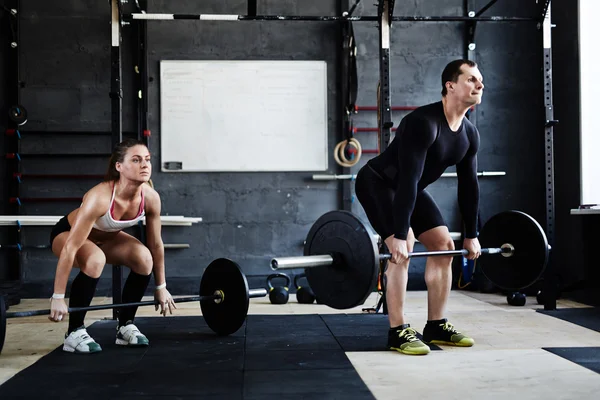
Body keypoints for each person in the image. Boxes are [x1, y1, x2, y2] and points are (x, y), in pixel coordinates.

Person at [355, 59, 484, 355]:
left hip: (408, 189)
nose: (480, 85)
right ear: (450, 85)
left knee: (442, 243)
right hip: (377, 184)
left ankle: (436, 325)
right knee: (405, 248)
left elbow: (469, 187)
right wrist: (399, 235)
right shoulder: (422, 123)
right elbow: (409, 181)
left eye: (481, 81)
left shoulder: (469, 134)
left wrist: (471, 234)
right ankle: (398, 330)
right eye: (472, 80)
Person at [48, 138, 177, 354]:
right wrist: (58, 297)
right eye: (136, 160)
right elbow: (71, 247)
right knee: (95, 259)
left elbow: (155, 244)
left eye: (147, 159)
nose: (144, 165)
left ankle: (125, 326)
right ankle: (74, 332)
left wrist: (161, 287)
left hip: (106, 239)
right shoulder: (99, 196)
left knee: (144, 258)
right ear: (119, 166)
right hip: (67, 235)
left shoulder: (151, 198)